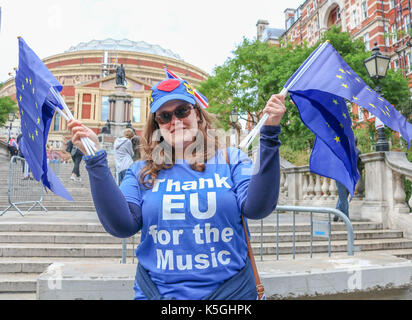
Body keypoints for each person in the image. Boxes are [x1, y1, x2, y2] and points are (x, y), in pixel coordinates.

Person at [67, 78, 286, 300]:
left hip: (231, 296)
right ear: (157, 125)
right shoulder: (140, 171)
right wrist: (95, 159)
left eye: (182, 111)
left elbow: (258, 208)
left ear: (197, 114)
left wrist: (269, 135)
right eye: (165, 116)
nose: (175, 121)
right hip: (158, 295)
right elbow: (121, 226)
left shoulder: (232, 160)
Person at [334, 137, 362, 222]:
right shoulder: (358, 152)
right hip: (350, 177)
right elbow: (359, 164)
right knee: (344, 196)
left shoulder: (343, 151)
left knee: (343, 197)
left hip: (341, 176)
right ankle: (340, 216)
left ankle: (343, 217)